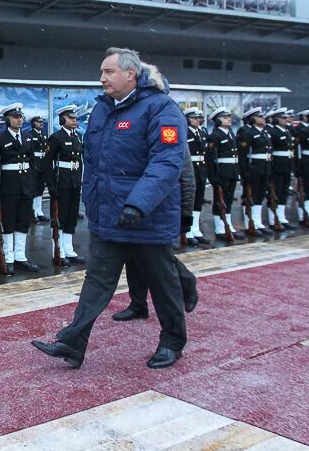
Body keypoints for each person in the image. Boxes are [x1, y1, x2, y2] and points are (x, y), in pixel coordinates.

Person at [32, 49, 187, 370]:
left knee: (162, 283)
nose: (102, 78)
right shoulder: (102, 110)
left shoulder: (162, 109)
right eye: (101, 72)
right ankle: (73, 343)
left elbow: (167, 161)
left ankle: (173, 341)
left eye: (108, 72)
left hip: (146, 217)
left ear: (131, 74)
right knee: (97, 281)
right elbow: (96, 163)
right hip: (107, 215)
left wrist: (138, 203)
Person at [113, 140, 199, 321]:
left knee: (160, 258)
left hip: (161, 207)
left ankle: (186, 281)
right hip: (133, 202)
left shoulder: (171, 131)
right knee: (132, 255)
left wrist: (186, 213)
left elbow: (187, 177)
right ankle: (138, 304)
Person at [0, 103, 39, 275]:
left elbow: (31, 163)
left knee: (23, 221)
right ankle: (8, 257)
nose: (20, 120)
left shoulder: (27, 137)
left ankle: (20, 256)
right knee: (8, 222)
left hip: (25, 185)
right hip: (9, 186)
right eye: (16, 117)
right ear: (7, 119)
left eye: (21, 117)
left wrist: (32, 183)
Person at [43, 105, 85, 265]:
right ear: (62, 120)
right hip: (62, 182)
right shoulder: (56, 137)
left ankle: (69, 249)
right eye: (71, 118)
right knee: (60, 217)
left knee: (72, 216)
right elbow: (47, 163)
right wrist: (51, 185)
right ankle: (58, 250)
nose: (75, 121)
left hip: (74, 181)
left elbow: (79, 161)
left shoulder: (78, 137)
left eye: (76, 118)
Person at [205, 108, 245, 240]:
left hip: (232, 171)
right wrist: (212, 177)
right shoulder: (215, 136)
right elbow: (210, 159)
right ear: (217, 120)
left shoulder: (230, 134)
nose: (229, 118)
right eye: (224, 117)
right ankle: (219, 227)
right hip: (221, 172)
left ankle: (228, 225)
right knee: (219, 200)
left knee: (228, 199)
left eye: (229, 116)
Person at [237, 107, 273, 235]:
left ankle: (257, 222)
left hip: (264, 167)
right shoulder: (246, 131)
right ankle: (249, 223)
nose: (263, 118)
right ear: (252, 119)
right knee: (249, 196)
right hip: (253, 168)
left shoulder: (264, 132)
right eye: (260, 116)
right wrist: (244, 171)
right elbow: (242, 154)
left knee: (260, 195)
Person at [183, 108, 210, 245]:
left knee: (199, 200)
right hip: (190, 167)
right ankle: (187, 232)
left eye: (198, 117)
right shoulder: (184, 131)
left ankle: (195, 229)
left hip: (201, 168)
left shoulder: (202, 132)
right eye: (194, 117)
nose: (197, 120)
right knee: (189, 200)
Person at [266, 108, 296, 229]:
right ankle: (273, 219)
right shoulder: (272, 131)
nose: (286, 120)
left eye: (286, 118)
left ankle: (281, 217)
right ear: (276, 119)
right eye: (283, 118)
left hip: (286, 165)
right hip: (277, 165)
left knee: (284, 192)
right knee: (275, 192)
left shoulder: (287, 131)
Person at [25, 115, 49, 223]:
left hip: (42, 165)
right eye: (39, 122)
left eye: (42, 122)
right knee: (33, 189)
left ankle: (39, 211)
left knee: (40, 189)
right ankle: (32, 212)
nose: (41, 123)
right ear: (33, 123)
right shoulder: (29, 134)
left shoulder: (43, 136)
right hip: (34, 165)